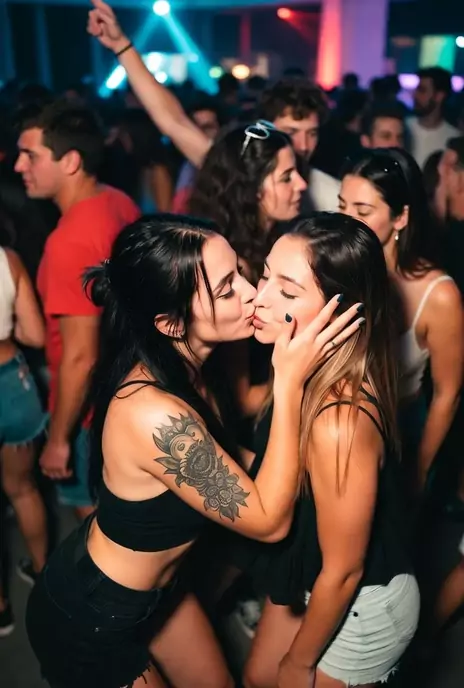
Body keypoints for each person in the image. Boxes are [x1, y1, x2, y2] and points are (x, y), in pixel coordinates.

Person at [25, 215, 362, 688]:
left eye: (240, 273)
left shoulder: (194, 369)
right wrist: (289, 382)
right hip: (91, 618)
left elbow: (230, 460)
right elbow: (268, 521)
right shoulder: (152, 413)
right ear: (171, 323)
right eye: (227, 290)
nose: (252, 293)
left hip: (162, 593)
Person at [239, 213, 419, 688]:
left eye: (288, 291)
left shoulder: (339, 421)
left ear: (340, 313)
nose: (260, 297)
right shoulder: (300, 368)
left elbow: (344, 570)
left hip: (362, 605)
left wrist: (299, 664)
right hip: (312, 571)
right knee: (257, 677)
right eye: (264, 275)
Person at [87, 0, 307, 283]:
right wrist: (121, 45)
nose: (302, 184)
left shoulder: (292, 234)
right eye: (287, 177)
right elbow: (173, 120)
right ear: (249, 184)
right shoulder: (220, 260)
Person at [15, 100, 140, 521]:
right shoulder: (116, 200)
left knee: (98, 534)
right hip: (122, 389)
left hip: (86, 413)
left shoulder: (70, 241)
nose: (18, 165)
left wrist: (59, 439)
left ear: (69, 161)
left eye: (30, 155)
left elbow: (80, 356)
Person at [339, 148, 463, 493]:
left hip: (399, 435)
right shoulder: (337, 269)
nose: (347, 220)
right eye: (342, 206)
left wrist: (418, 471)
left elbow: (447, 393)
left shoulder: (438, 294)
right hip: (335, 429)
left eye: (362, 211)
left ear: (401, 217)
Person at [0, 244, 47, 634]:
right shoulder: (8, 258)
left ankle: (0, 607)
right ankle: (45, 577)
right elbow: (34, 334)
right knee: (24, 489)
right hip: (14, 386)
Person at [409, 67, 459, 169]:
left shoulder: (453, 138)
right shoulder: (403, 128)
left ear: (439, 96)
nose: (415, 95)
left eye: (422, 90)